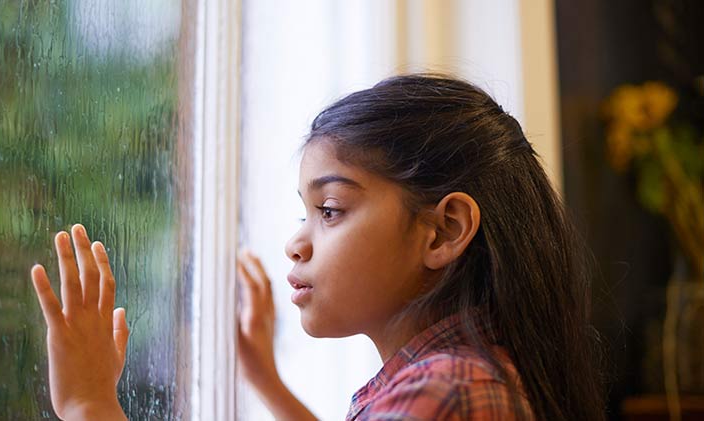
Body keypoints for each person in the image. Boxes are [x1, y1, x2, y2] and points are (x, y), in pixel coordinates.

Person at [31, 74, 606, 420]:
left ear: (443, 230)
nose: (295, 243)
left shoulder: (447, 391)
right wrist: (267, 381)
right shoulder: (469, 375)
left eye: (329, 211)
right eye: (303, 213)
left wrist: (90, 406)